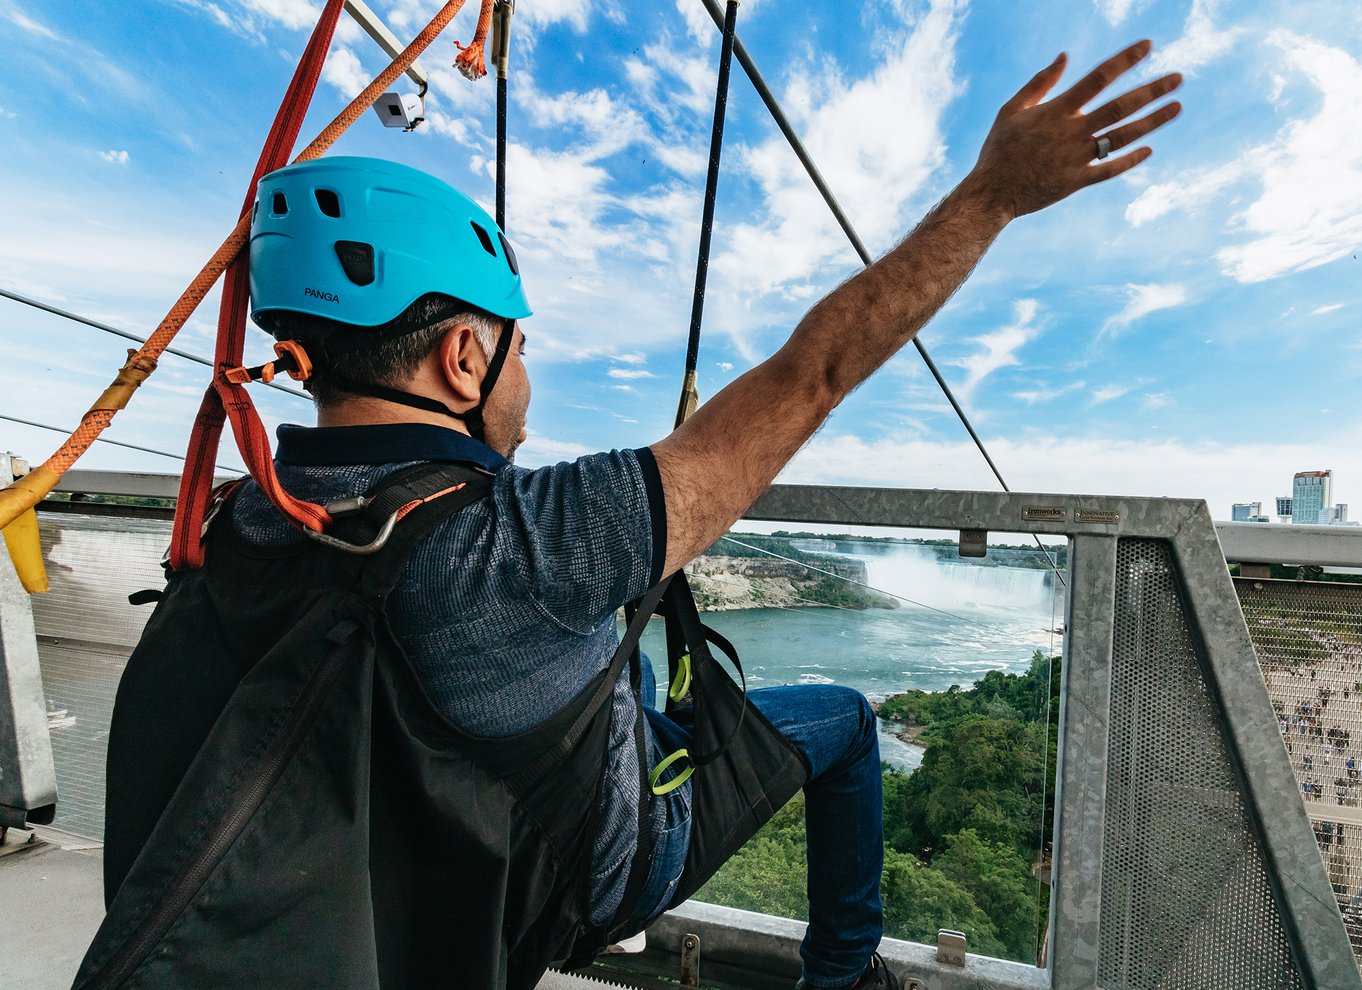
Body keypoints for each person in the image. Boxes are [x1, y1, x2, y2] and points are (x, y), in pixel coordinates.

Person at [113, 40, 1180, 990]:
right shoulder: (529, 544)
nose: (523, 378)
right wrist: (991, 195)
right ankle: (843, 974)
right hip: (594, 871)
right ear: (464, 356)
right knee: (850, 723)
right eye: (517, 348)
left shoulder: (243, 521)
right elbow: (815, 373)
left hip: (434, 845)